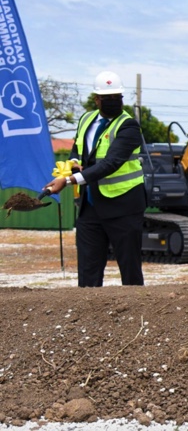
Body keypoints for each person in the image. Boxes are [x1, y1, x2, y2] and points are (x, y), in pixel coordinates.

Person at [43, 71, 146, 287]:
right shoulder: (86, 119)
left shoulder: (128, 126)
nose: (113, 102)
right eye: (107, 98)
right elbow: (77, 150)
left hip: (123, 206)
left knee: (130, 271)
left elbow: (110, 164)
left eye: (117, 97)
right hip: (90, 206)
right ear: (96, 99)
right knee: (88, 272)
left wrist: (69, 181)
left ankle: (138, 315)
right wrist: (72, 164)